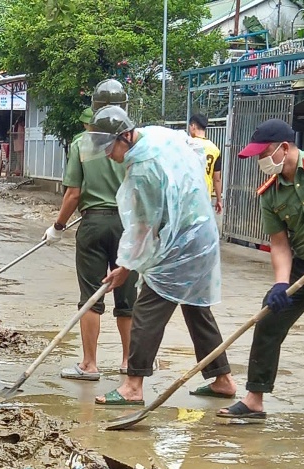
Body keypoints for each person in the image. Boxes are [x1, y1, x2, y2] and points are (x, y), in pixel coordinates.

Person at [88, 106, 236, 405]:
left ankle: (132, 385)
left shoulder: (142, 166)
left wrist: (126, 267)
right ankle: (222, 379)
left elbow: (142, 226)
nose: (108, 155)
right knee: (197, 307)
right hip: (200, 232)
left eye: (110, 147)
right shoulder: (156, 136)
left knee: (148, 308)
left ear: (125, 136)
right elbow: (192, 148)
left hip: (182, 242)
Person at [43, 80, 137, 379]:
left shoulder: (82, 143)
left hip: (93, 224)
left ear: (94, 109)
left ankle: (89, 364)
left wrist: (57, 227)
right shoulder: (136, 141)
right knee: (127, 298)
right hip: (128, 225)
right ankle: (128, 361)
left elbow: (72, 194)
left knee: (91, 296)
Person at [219, 119, 304, 421]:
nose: (260, 161)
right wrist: (281, 283)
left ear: (284, 147)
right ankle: (255, 399)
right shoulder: (270, 193)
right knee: (269, 320)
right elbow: (280, 243)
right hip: (300, 266)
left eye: (263, 153)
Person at [188, 113, 223, 214]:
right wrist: (219, 200)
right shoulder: (214, 149)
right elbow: (217, 179)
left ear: (193, 126)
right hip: (204, 198)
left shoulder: (187, 144)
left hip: (187, 197)